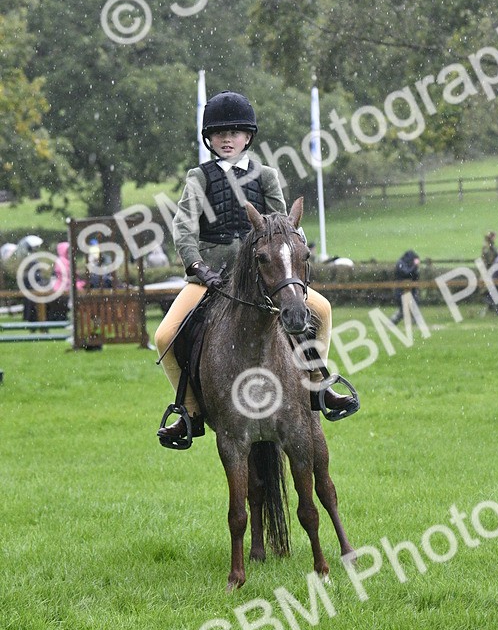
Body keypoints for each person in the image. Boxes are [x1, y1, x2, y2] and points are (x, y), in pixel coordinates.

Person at [155, 90, 358, 447]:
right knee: (164, 336)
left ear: (247, 137)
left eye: (234, 133)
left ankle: (318, 388)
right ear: (210, 139)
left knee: (321, 310)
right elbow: (184, 228)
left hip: (266, 277)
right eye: (220, 134)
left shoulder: (265, 176)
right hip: (212, 275)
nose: (227, 139)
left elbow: (284, 224)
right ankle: (190, 413)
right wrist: (198, 266)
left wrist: (293, 258)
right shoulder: (198, 178)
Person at [390, 249, 420, 324]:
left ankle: (393, 321)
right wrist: (415, 266)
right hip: (401, 290)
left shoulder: (407, 263)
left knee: (408, 307)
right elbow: (406, 273)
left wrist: (415, 268)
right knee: (404, 308)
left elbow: (415, 276)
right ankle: (393, 321)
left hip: (410, 290)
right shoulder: (401, 264)